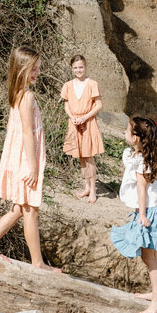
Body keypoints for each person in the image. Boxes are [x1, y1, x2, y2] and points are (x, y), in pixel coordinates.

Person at [0, 45, 59, 271]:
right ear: (22, 69)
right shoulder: (27, 96)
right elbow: (26, 133)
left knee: (18, 210)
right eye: (33, 69)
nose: (37, 73)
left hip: (20, 158)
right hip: (26, 160)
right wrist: (33, 167)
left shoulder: (18, 93)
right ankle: (38, 263)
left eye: (38, 69)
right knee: (30, 211)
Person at [110, 115, 157, 313]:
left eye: (127, 131)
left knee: (149, 257)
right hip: (145, 211)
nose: (124, 133)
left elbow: (141, 188)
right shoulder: (139, 155)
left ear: (136, 138)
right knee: (149, 256)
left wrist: (143, 215)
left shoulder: (143, 161)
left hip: (148, 213)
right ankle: (156, 294)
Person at [61, 54, 104, 203]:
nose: (78, 70)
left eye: (81, 67)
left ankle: (93, 190)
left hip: (88, 123)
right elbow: (66, 104)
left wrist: (85, 117)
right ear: (71, 68)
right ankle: (86, 186)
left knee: (89, 156)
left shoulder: (92, 84)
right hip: (74, 123)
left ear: (85, 67)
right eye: (75, 68)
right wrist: (72, 116)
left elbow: (99, 105)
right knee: (80, 156)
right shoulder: (67, 85)